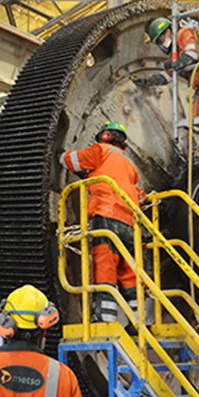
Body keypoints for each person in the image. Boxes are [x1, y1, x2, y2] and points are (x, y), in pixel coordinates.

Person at [60, 121, 143, 324]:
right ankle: (137, 320)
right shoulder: (130, 165)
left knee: (105, 266)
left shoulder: (101, 151)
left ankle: (105, 319)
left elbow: (75, 161)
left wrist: (61, 156)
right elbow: (138, 193)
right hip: (131, 222)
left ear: (105, 136)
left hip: (107, 215)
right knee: (129, 271)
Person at [132, 17, 199, 118]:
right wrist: (147, 81)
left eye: (161, 39)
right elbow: (166, 77)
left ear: (168, 30)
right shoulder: (177, 53)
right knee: (196, 114)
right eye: (159, 42)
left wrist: (174, 64)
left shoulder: (184, 33)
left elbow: (192, 55)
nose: (162, 43)